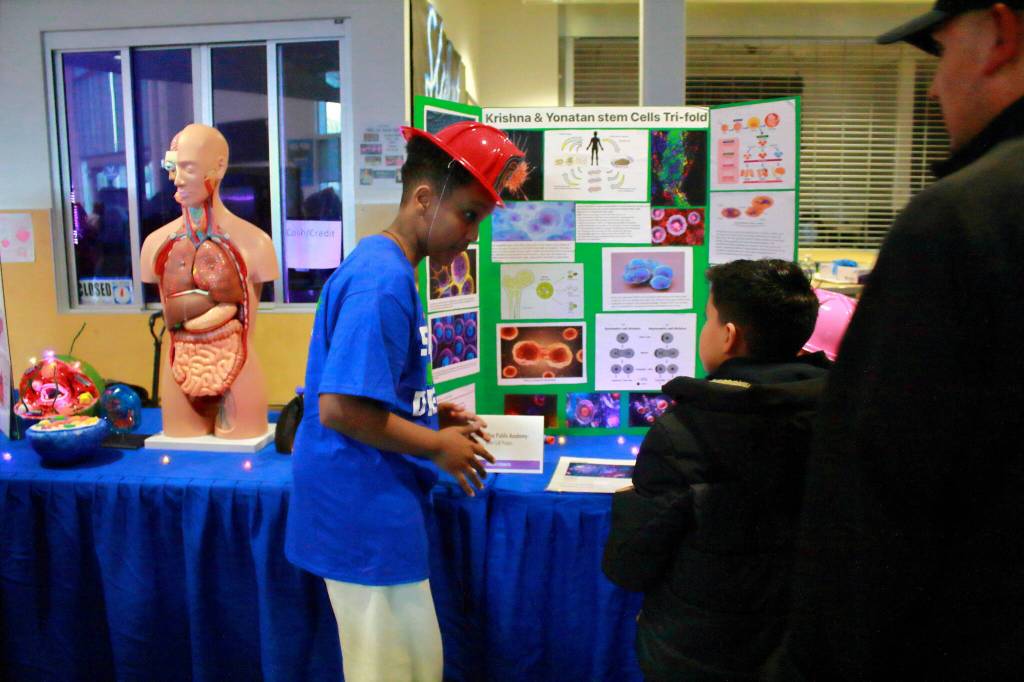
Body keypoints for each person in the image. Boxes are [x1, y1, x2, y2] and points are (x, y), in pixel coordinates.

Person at [768, 2, 1024, 678]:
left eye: (943, 52)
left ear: (1002, 33)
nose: (934, 89)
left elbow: (875, 490)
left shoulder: (966, 218)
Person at [285, 122, 527, 682]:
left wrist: (425, 413)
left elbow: (368, 391)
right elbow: (340, 408)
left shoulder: (391, 269)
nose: (471, 235)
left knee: (415, 666)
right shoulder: (382, 281)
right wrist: (435, 446)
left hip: (377, 507)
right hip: (362, 513)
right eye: (467, 215)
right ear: (423, 198)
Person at [602, 259, 829, 681]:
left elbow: (630, 563)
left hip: (697, 652)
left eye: (708, 318)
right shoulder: (841, 416)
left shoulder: (682, 432)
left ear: (729, 335)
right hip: (805, 647)